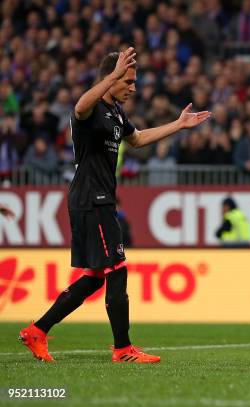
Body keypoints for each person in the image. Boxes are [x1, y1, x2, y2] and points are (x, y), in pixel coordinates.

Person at [18, 47, 211, 363]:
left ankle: (37, 331)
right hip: (91, 200)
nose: (133, 88)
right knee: (117, 269)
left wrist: (177, 126)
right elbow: (80, 106)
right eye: (128, 80)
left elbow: (137, 140)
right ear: (112, 78)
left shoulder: (117, 113)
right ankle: (123, 349)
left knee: (95, 276)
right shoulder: (90, 109)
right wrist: (111, 76)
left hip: (97, 200)